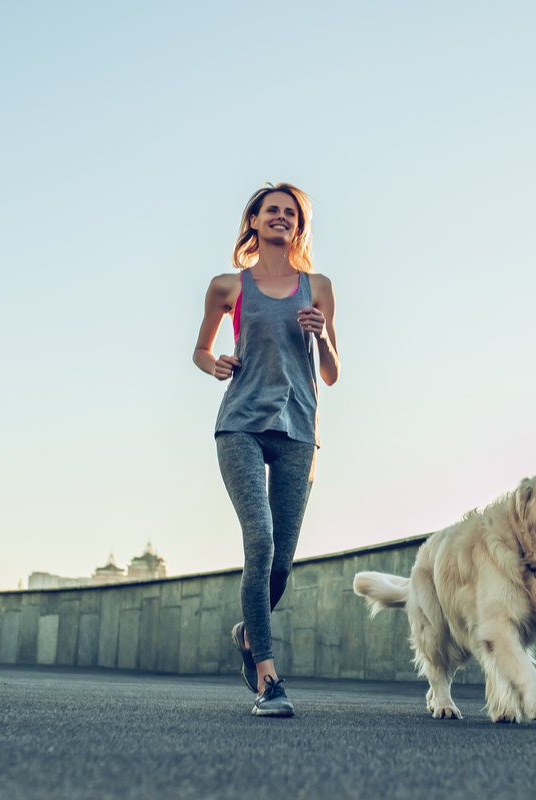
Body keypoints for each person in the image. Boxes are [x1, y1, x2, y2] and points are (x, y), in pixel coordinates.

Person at [192, 182, 339, 716]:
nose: (281, 217)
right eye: (271, 210)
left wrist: (322, 335)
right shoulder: (228, 286)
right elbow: (201, 350)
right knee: (261, 538)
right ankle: (268, 679)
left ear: (298, 227)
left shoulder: (317, 286)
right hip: (241, 426)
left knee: (281, 562)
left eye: (290, 213)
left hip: (299, 430)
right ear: (253, 221)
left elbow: (332, 372)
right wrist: (217, 365)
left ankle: (248, 631)